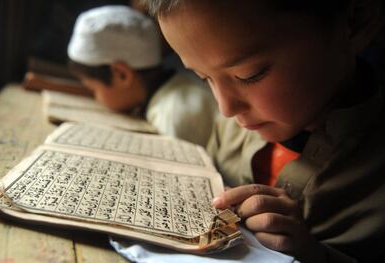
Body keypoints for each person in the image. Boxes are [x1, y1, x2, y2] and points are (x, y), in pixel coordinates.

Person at [139, 0, 385, 262]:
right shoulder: (231, 130)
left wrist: (312, 255)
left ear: (354, 22)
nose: (226, 109)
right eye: (204, 78)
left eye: (249, 74)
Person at [67, 5, 218, 146]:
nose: (96, 99)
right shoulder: (172, 91)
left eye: (94, 90)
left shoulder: (173, 116)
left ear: (122, 75)